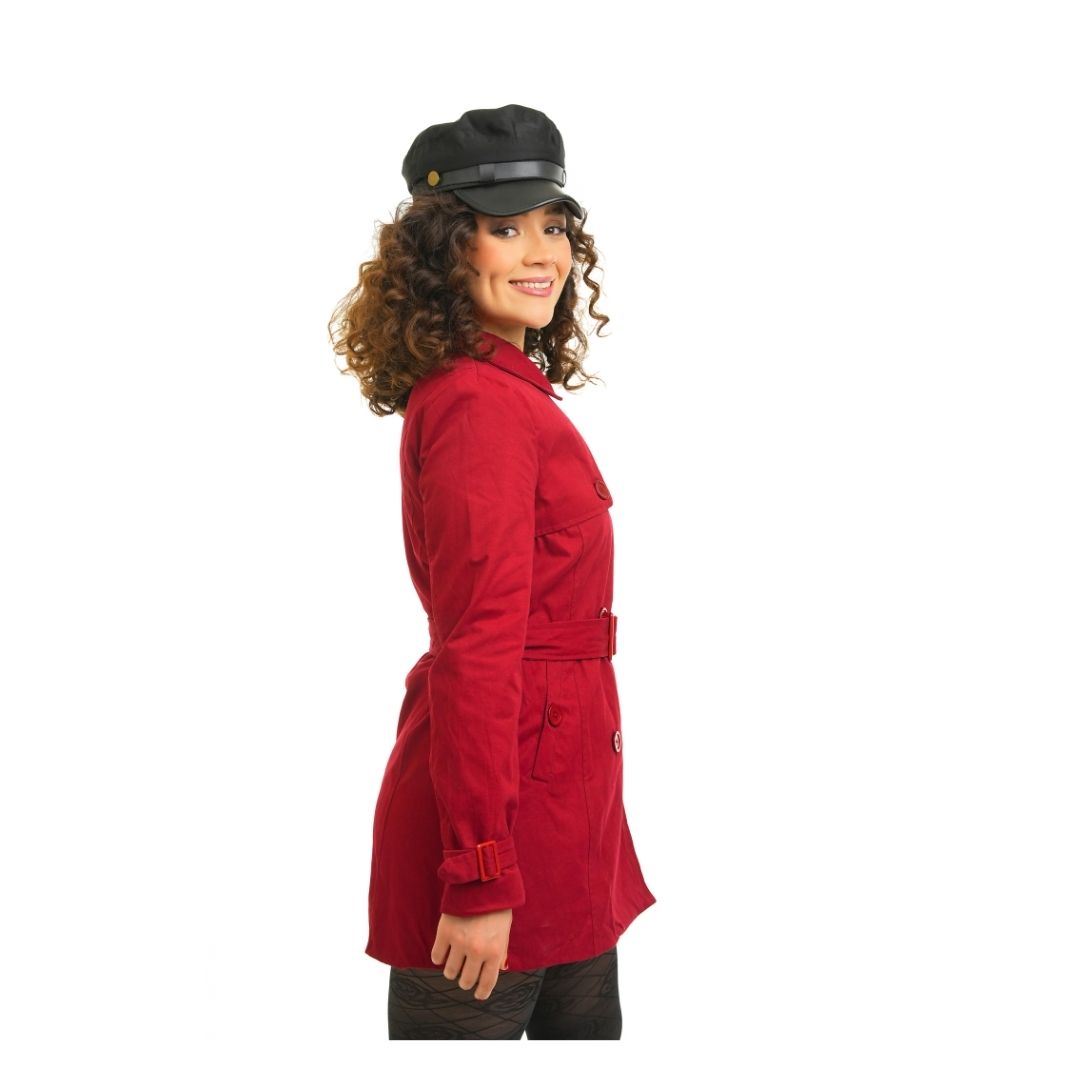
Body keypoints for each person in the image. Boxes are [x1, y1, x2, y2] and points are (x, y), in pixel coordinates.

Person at [328, 104, 656, 1040]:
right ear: (446, 253)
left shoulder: (509, 393)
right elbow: (478, 647)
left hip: (560, 799)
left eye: (553, 225)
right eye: (504, 229)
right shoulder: (477, 405)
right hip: (500, 809)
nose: (541, 252)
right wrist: (477, 871)